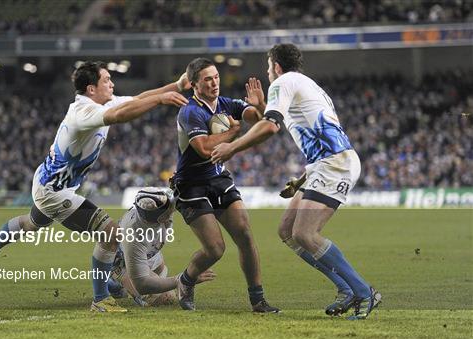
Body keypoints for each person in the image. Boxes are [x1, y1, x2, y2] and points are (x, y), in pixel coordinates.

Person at [0, 61, 189, 313]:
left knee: (31, 224)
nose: (112, 83)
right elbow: (119, 115)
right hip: (55, 192)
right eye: (107, 80)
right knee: (111, 233)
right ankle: (101, 298)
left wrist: (178, 85)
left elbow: (138, 98)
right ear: (91, 88)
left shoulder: (100, 102)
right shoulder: (83, 112)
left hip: (46, 182)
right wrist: (161, 100)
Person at [211, 44, 382, 320]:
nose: (268, 73)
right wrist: (302, 178)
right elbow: (294, 125)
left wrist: (232, 147)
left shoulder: (283, 82)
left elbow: (270, 127)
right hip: (324, 165)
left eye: (268, 67)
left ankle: (364, 292)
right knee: (287, 231)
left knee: (305, 234)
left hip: (334, 164)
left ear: (276, 67)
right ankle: (345, 289)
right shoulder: (304, 85)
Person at [171, 57, 280, 313]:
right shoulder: (189, 111)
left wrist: (261, 104)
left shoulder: (226, 104)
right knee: (215, 249)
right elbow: (205, 148)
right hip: (191, 185)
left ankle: (258, 300)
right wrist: (233, 133)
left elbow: (261, 120)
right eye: (207, 79)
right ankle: (186, 280)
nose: (214, 83)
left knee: (244, 234)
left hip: (218, 179)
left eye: (216, 77)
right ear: (194, 85)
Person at [107, 187, 216, 307]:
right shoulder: (134, 234)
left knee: (161, 275)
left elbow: (183, 196)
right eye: (168, 211)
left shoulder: (162, 204)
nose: (171, 210)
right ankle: (114, 280)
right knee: (166, 299)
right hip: (122, 261)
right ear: (159, 218)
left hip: (150, 251)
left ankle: (121, 286)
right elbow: (143, 284)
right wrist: (184, 279)